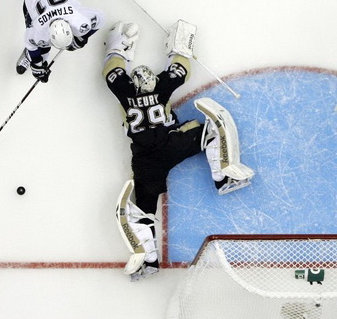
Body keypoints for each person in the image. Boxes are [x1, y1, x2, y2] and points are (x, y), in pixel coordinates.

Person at [103, 20, 254, 281]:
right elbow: (180, 70)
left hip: (145, 159)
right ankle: (224, 174)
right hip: (172, 144)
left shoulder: (125, 91)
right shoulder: (161, 87)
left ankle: (148, 260)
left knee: (145, 208)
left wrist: (118, 50)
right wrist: (180, 49)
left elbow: (110, 71)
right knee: (210, 130)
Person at [16, 0, 104, 82]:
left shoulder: (78, 19)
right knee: (41, 45)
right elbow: (30, 43)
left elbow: (100, 17)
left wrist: (82, 37)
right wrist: (37, 63)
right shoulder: (40, 29)